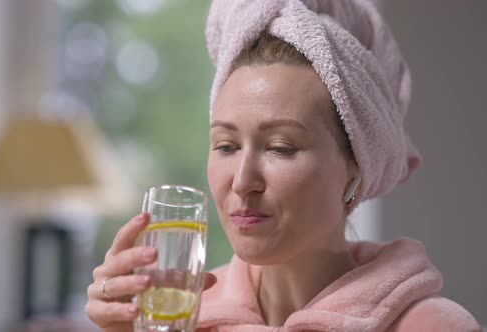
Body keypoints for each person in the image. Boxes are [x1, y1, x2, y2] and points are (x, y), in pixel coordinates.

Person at [85, 0, 481, 331]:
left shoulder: (429, 325)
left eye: (280, 147)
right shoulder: (181, 316)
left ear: (356, 166)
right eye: (226, 145)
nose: (242, 181)